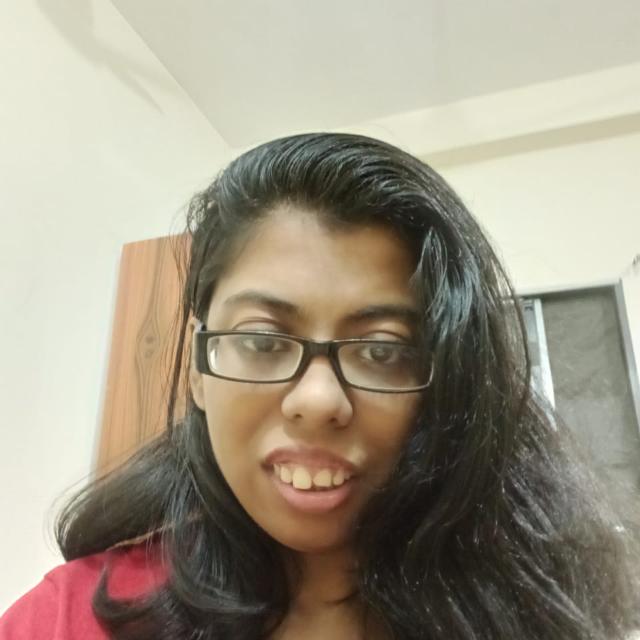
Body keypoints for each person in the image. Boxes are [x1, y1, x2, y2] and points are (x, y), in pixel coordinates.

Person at [2, 133, 639, 640]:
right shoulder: (65, 621)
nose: (317, 401)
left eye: (382, 351)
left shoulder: (533, 611)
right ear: (197, 369)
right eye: (261, 341)